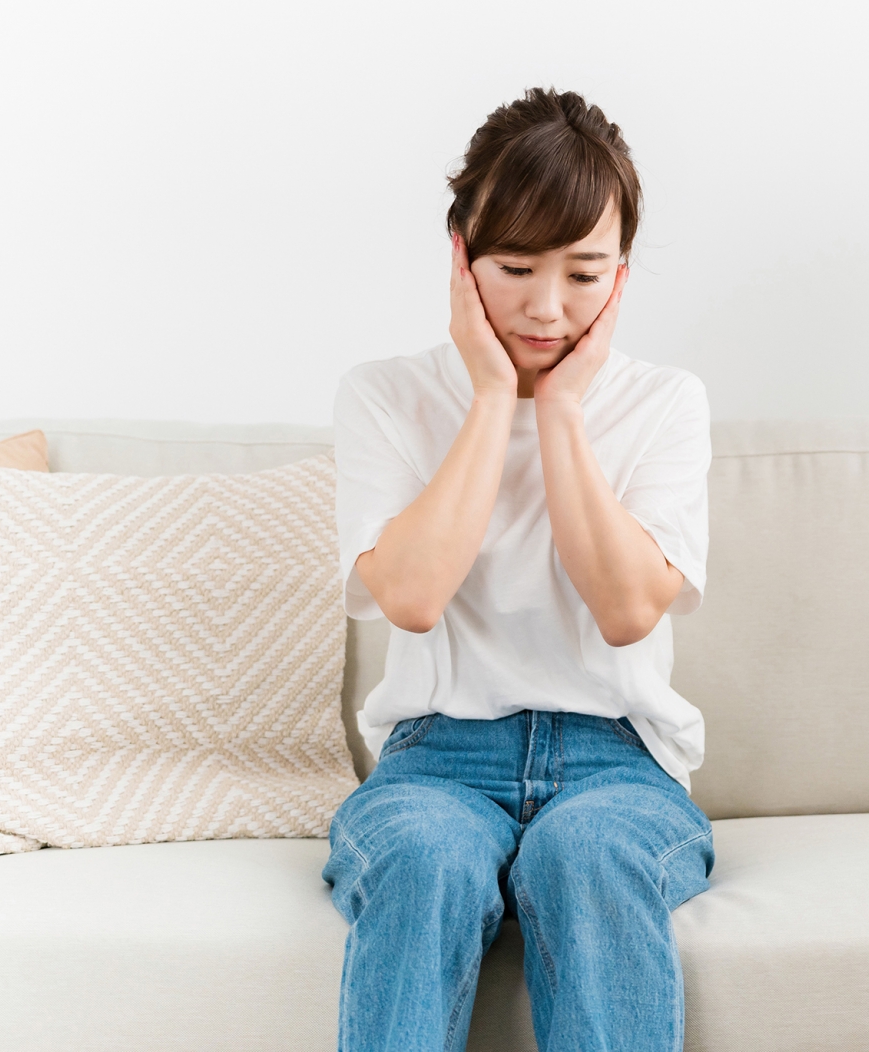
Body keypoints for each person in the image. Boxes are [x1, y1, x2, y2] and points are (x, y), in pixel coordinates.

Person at [323, 88, 714, 1052]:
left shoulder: (665, 404)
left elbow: (627, 611)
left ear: (622, 271)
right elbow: (411, 597)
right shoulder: (385, 397)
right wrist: (494, 395)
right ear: (461, 257)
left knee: (586, 856)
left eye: (584, 274)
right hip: (435, 762)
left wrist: (562, 411)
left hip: (616, 762)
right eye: (515, 269)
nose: (547, 308)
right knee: (424, 859)